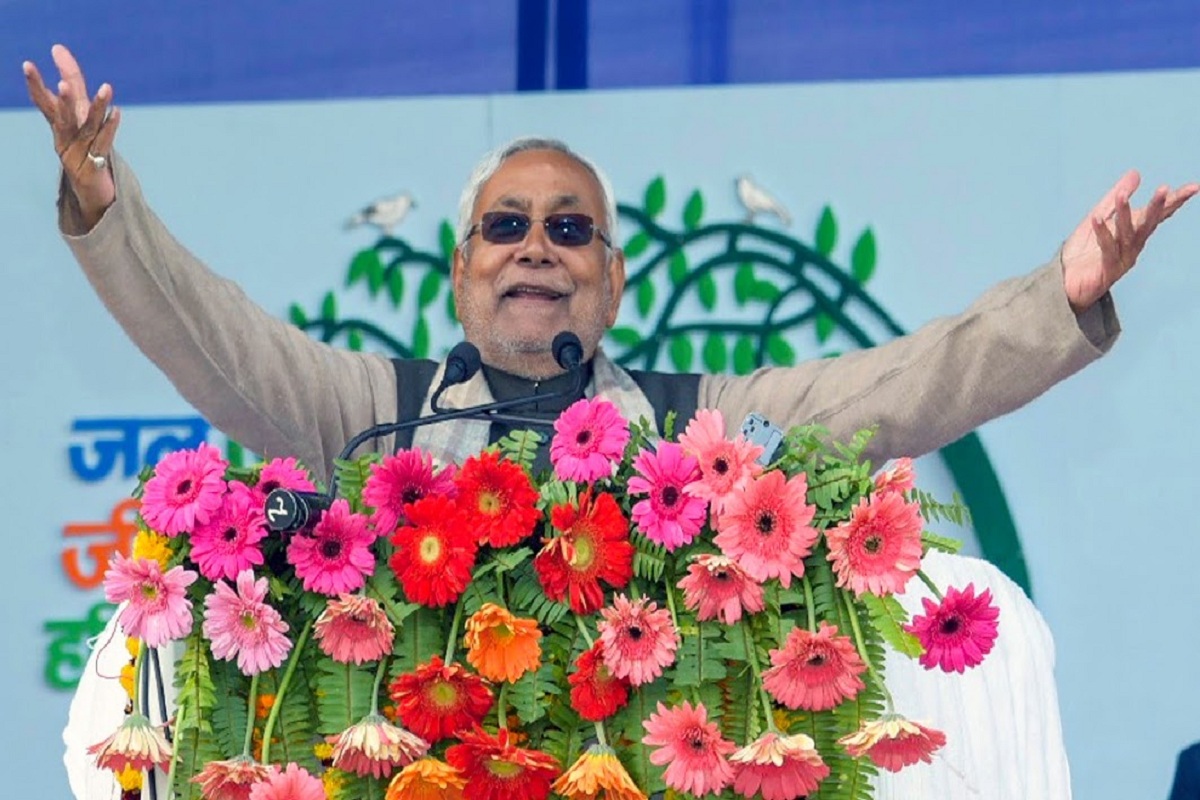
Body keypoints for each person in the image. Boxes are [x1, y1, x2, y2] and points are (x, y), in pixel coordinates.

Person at [25, 44, 1196, 800]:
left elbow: (896, 389)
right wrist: (104, 206)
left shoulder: (702, 432)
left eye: (570, 228)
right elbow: (212, 335)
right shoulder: (372, 414)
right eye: (508, 225)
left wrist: (1061, 298)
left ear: (614, 278)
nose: (536, 245)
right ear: (461, 271)